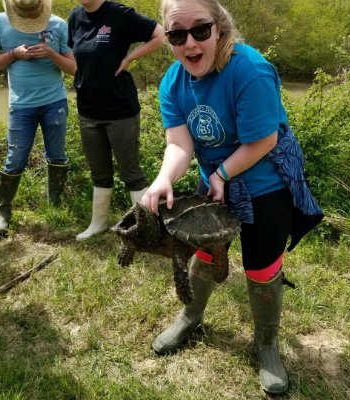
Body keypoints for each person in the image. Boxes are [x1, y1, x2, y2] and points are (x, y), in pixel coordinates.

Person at [141, 0, 324, 395]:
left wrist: (223, 173)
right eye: (176, 34)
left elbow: (263, 139)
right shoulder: (172, 82)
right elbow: (179, 144)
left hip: (265, 182)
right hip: (216, 181)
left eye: (200, 30)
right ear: (169, 39)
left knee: (261, 266)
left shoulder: (250, 70)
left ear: (219, 28)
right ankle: (191, 316)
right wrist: (162, 180)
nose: (189, 42)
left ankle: (267, 343)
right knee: (204, 251)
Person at [68, 0, 165, 241]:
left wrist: (130, 58)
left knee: (131, 172)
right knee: (99, 172)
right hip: (88, 110)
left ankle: (147, 230)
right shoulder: (75, 17)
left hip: (120, 109)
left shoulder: (119, 14)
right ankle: (98, 223)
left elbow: (159, 34)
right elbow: (76, 57)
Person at [0, 0, 76, 239]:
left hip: (55, 102)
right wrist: (14, 54)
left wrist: (51, 53)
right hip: (20, 106)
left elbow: (74, 68)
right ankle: (3, 213)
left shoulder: (58, 24)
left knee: (57, 155)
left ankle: (54, 206)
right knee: (15, 159)